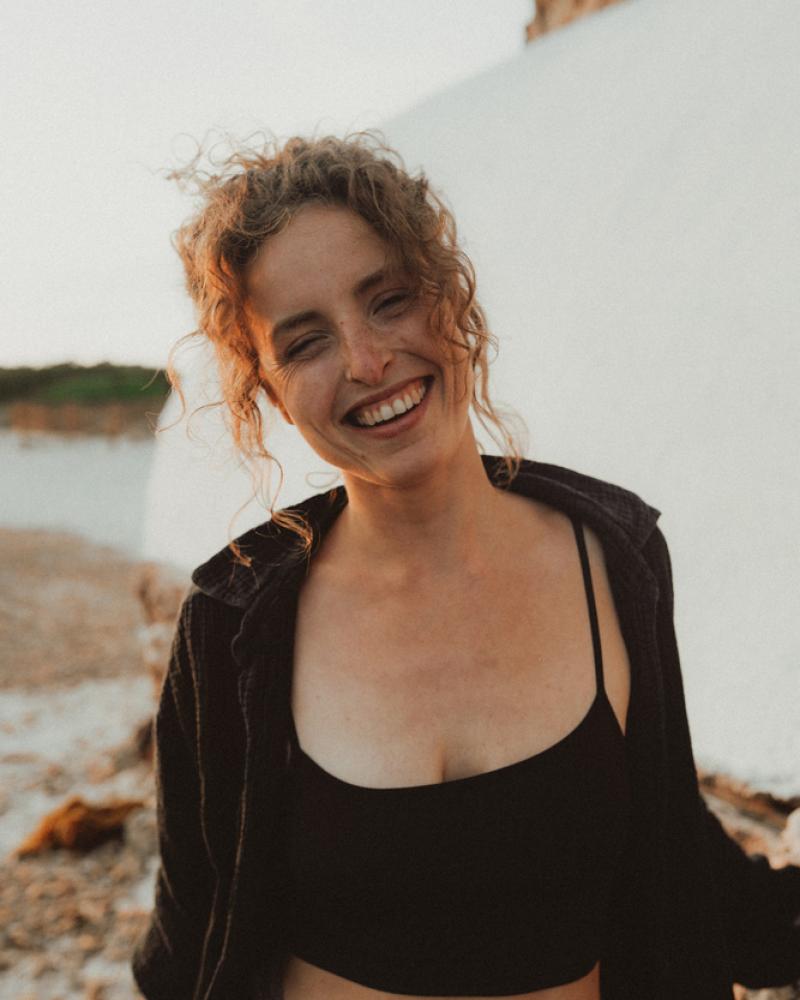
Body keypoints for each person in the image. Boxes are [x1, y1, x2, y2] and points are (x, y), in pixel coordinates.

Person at [132, 134, 800, 1000]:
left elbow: (672, 849)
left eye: (389, 301)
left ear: (450, 295)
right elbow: (190, 941)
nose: (366, 361)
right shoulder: (233, 623)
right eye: (305, 343)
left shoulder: (614, 558)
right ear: (268, 390)